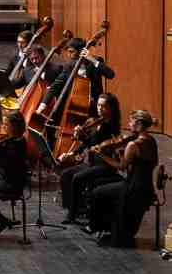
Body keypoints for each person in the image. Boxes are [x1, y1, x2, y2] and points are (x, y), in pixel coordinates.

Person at [87, 109, 159, 247]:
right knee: (105, 188)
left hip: (132, 188)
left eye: (131, 121)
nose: (129, 123)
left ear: (138, 123)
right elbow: (152, 163)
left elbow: (121, 166)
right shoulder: (151, 141)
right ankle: (109, 228)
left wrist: (100, 154)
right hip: (147, 187)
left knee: (98, 193)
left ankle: (99, 226)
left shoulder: (133, 144)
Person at [57, 93, 123, 224]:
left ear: (112, 109)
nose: (100, 109)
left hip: (104, 165)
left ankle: (72, 214)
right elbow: (87, 143)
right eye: (99, 105)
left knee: (77, 178)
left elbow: (97, 145)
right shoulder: (96, 122)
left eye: (104, 106)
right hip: (92, 162)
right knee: (65, 174)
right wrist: (73, 150)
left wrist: (83, 134)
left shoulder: (112, 127)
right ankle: (76, 207)